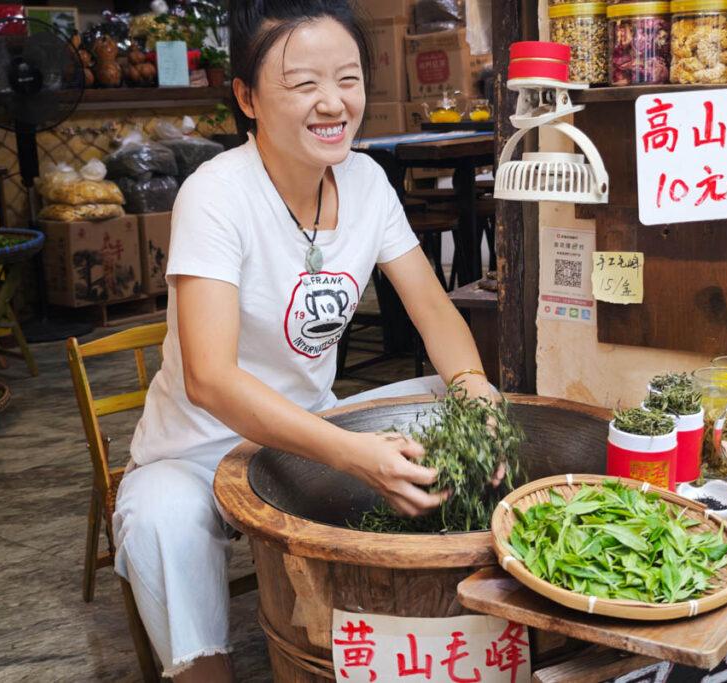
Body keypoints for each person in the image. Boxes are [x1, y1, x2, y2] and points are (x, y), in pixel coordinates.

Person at [111, 1, 496, 680]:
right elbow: (209, 377)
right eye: (302, 84)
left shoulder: (367, 181)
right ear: (248, 97)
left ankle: (427, 613)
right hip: (200, 449)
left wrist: (476, 390)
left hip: (309, 435)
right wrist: (353, 454)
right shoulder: (216, 195)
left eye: (347, 78)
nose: (332, 103)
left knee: (454, 399)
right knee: (157, 514)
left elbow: (434, 310)